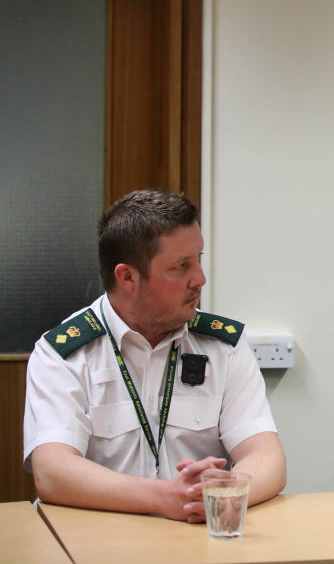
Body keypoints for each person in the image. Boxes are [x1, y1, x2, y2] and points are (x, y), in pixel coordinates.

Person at [23, 189, 286, 523]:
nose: (200, 279)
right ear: (127, 277)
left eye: (199, 260)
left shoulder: (225, 347)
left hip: (196, 538)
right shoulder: (64, 354)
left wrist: (220, 492)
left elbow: (266, 458)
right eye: (181, 266)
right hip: (96, 545)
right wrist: (163, 498)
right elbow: (52, 472)